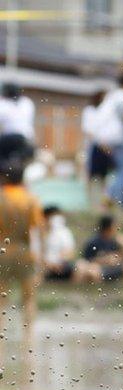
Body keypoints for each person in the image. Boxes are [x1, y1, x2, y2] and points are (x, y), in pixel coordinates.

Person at [0, 134, 41, 340]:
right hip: (25, 252)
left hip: (3, 251)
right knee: (29, 298)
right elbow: (36, 231)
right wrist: (39, 258)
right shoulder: (30, 200)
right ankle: (29, 340)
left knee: (1, 300)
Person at [98, 73, 123, 207]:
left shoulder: (112, 95)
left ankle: (109, 194)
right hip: (120, 137)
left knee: (117, 169)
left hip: (106, 136)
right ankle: (116, 198)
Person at [80, 215, 123, 283]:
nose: (117, 227)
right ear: (108, 227)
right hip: (100, 269)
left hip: (115, 268)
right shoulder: (93, 242)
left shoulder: (117, 240)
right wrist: (105, 260)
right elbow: (86, 260)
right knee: (93, 271)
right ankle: (97, 292)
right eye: (115, 225)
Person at [82, 90, 113, 211]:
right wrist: (100, 142)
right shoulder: (89, 111)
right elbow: (88, 130)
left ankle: (102, 204)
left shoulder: (106, 111)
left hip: (105, 147)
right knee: (92, 176)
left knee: (104, 177)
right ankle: (91, 203)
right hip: (95, 147)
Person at [41, 206, 85, 283]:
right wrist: (48, 264)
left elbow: (69, 252)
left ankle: (73, 291)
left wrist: (59, 262)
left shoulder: (63, 232)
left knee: (81, 267)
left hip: (60, 265)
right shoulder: (37, 233)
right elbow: (34, 253)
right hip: (43, 266)